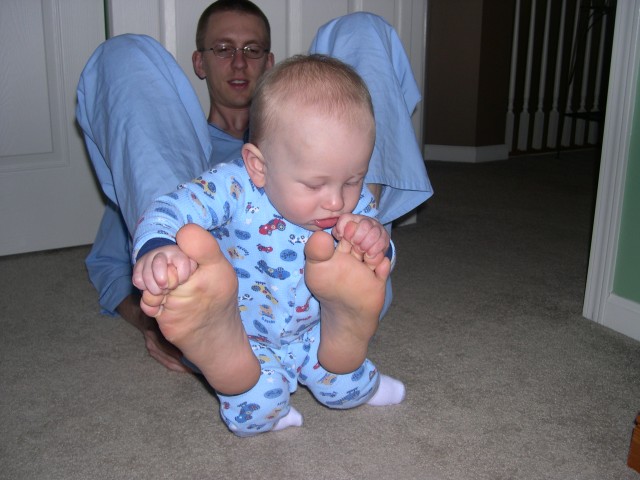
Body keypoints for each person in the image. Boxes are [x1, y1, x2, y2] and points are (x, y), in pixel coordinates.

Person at [76, 0, 433, 372]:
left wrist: (339, 185)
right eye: (224, 49)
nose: (239, 62)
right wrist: (149, 321)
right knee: (122, 53)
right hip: (231, 301)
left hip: (335, 244)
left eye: (252, 50)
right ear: (200, 62)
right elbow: (108, 264)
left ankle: (358, 239)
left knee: (361, 29)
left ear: (269, 62)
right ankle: (184, 297)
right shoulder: (170, 156)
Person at [132, 54, 405, 436]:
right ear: (258, 166)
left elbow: (379, 249)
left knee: (346, 383)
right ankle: (221, 347)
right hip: (246, 333)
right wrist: (157, 248)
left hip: (317, 329)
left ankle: (349, 336)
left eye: (353, 179)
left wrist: (377, 246)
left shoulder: (356, 209)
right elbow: (168, 208)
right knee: (256, 407)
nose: (337, 201)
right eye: (315, 184)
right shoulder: (233, 186)